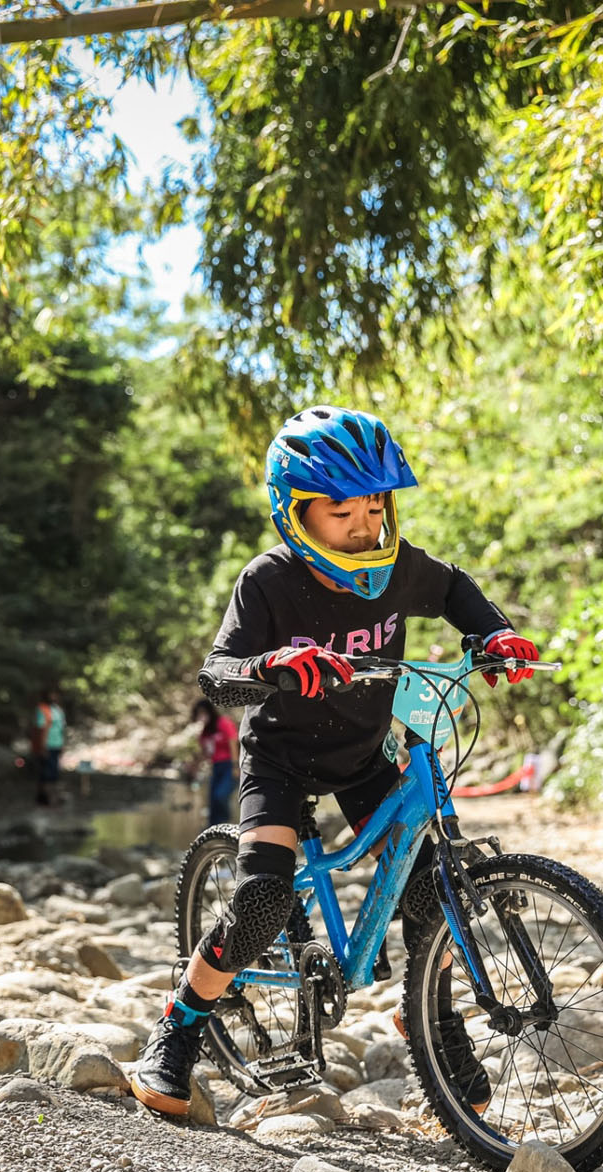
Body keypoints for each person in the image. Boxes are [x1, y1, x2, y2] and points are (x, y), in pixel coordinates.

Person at [129, 405, 539, 1117]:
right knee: (262, 900)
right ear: (296, 513)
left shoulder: (400, 569)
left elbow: (453, 591)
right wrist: (274, 662)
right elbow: (219, 675)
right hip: (280, 762)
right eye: (342, 509)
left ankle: (431, 1019)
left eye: (376, 505)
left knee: (432, 891)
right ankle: (179, 1028)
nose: (364, 523)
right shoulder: (270, 581)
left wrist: (495, 634)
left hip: (364, 755)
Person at [191, 698, 240, 827]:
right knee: (212, 800)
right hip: (216, 767)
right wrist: (194, 766)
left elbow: (233, 741)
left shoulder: (223, 723)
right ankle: (212, 828)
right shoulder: (204, 733)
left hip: (229, 765)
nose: (202, 716)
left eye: (203, 713)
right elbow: (205, 753)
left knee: (221, 795)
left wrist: (236, 766)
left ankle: (225, 825)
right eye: (199, 714)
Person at [30, 687, 66, 807]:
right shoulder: (42, 709)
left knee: (54, 772)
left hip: (57, 744)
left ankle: (49, 798)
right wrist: (42, 746)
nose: (53, 697)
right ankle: (46, 799)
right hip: (47, 745)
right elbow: (42, 729)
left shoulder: (58, 710)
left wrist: (63, 744)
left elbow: (62, 729)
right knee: (46, 773)